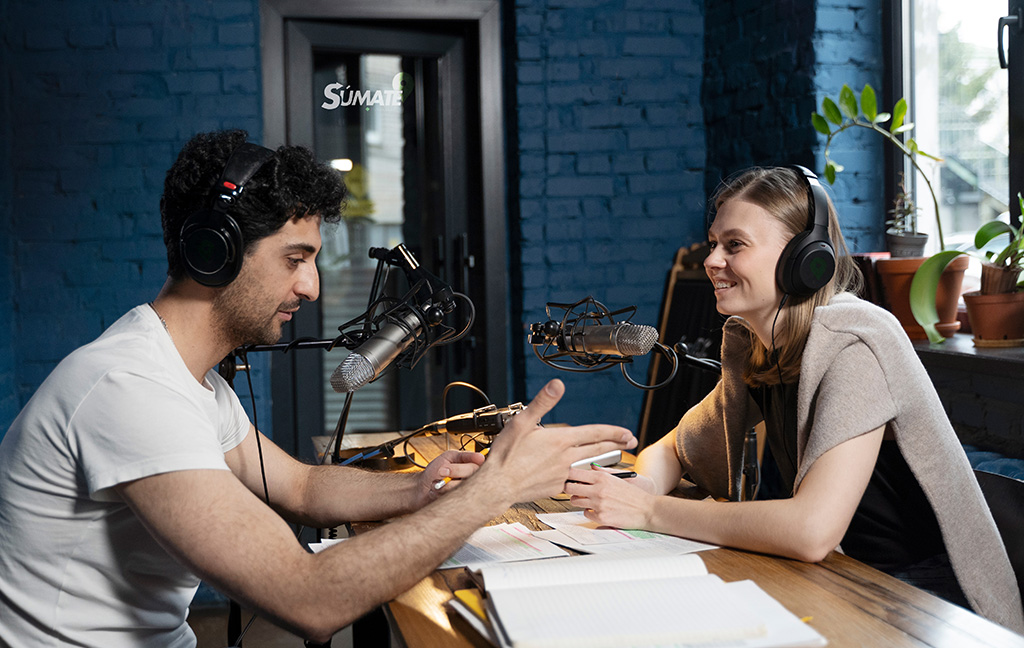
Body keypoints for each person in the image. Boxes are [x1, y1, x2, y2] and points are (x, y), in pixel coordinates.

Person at [0, 130, 636, 647]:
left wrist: (415, 490)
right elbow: (308, 598)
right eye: (294, 258)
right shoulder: (129, 389)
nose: (311, 289)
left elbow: (300, 485)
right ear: (213, 253)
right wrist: (496, 487)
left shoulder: (186, 382)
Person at [565, 165, 1024, 633]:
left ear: (806, 259)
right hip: (842, 577)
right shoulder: (760, 347)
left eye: (735, 245)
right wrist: (640, 489)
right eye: (713, 244)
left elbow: (811, 530)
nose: (712, 260)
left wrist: (649, 511)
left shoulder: (854, 341)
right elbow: (674, 448)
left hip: (924, 601)